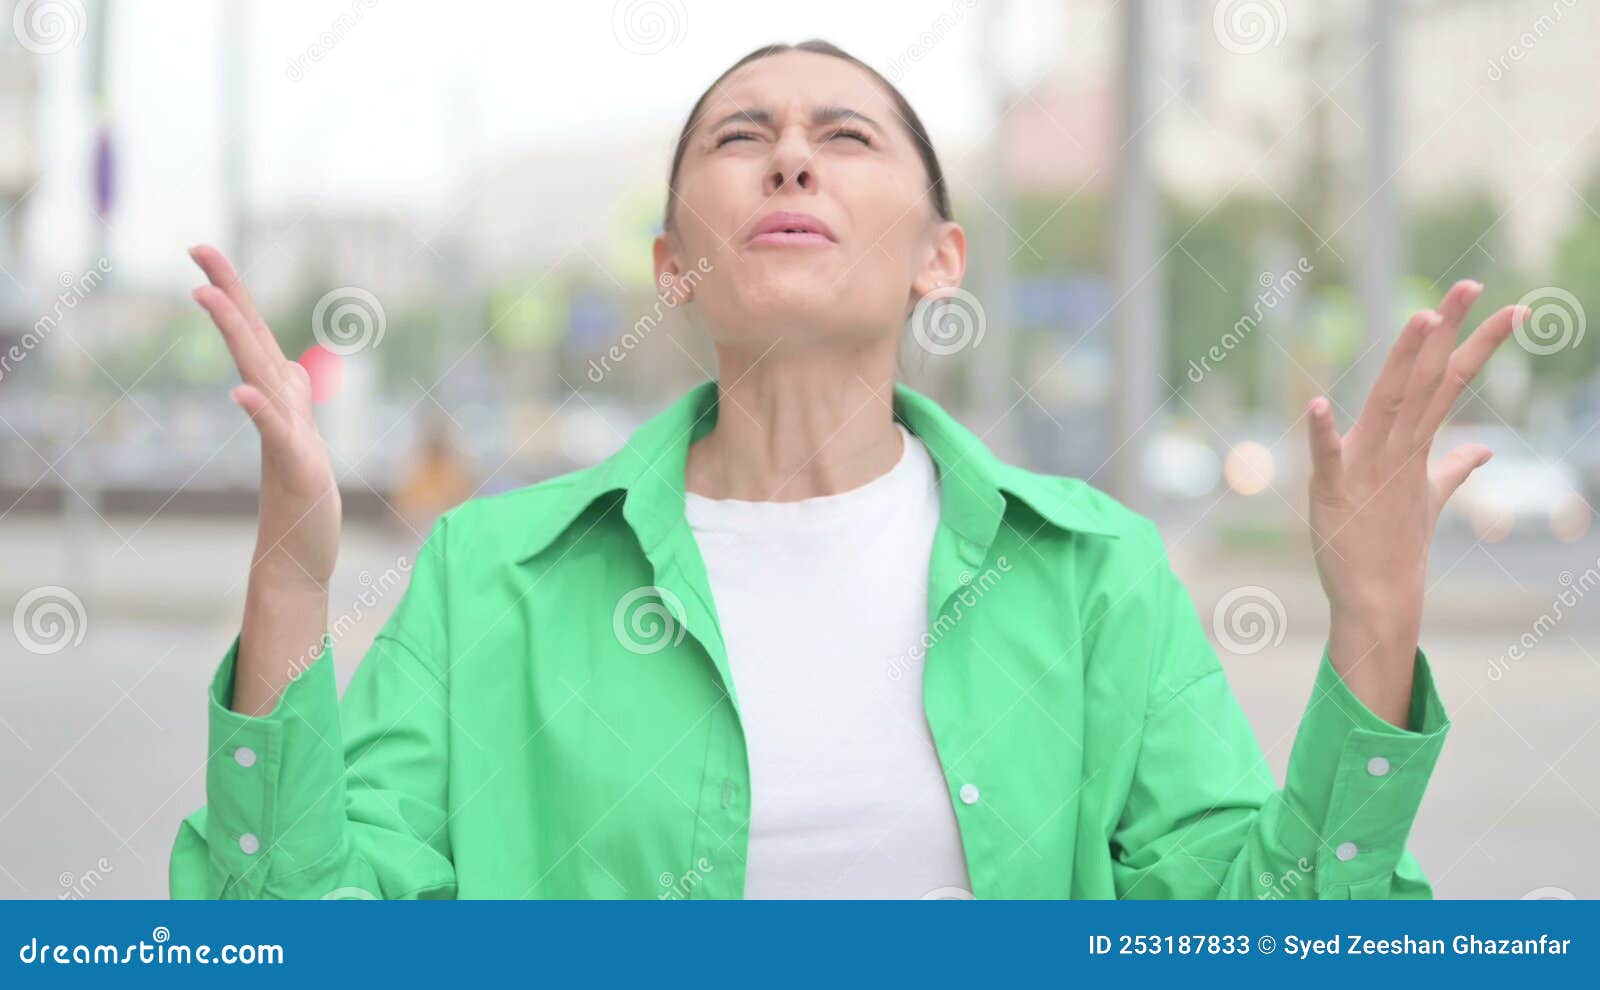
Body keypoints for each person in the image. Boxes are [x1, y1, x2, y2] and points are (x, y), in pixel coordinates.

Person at [170, 40, 1525, 900]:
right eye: (741, 137)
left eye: (846, 135)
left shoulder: (1097, 574)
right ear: (673, 267)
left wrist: (1374, 629)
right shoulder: (492, 576)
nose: (792, 157)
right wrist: (289, 582)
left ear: (942, 258)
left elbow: (1269, 938)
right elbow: (292, 930)